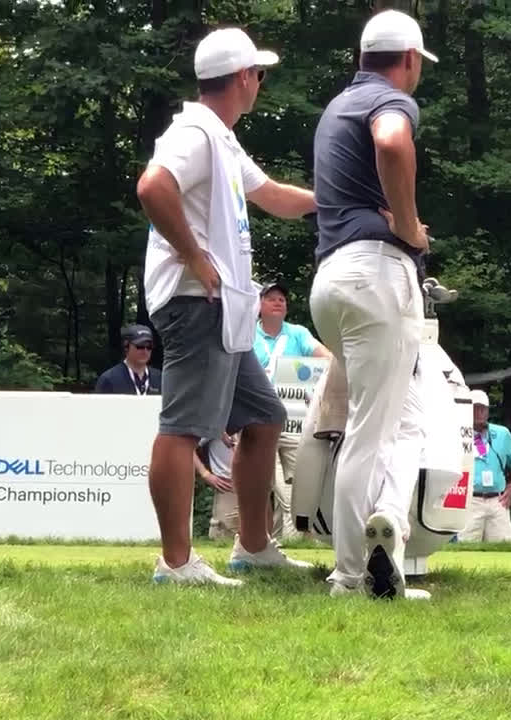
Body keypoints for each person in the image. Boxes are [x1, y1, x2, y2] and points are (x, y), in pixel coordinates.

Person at [135, 26, 316, 585]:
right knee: (183, 428)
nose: (260, 82)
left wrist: (341, 203)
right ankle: (176, 563)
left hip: (223, 309)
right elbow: (152, 186)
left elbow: (273, 196)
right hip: (196, 303)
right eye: (258, 73)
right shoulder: (195, 132)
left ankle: (253, 547)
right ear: (243, 77)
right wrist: (193, 256)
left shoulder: (221, 138)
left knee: (264, 418)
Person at [308, 9, 437, 599]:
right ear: (408, 59)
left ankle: (387, 522)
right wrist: (409, 226)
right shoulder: (391, 101)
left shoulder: (337, 106)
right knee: (369, 429)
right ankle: (349, 575)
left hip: (332, 281)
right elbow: (390, 141)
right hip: (377, 277)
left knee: (406, 420)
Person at [253, 280, 329, 539]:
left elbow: (326, 358)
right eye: (271, 298)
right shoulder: (248, 335)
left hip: (295, 420)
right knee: (265, 484)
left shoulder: (297, 334)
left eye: (282, 299)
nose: (278, 302)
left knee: (303, 480)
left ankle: (295, 539)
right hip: (257, 420)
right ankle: (274, 540)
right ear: (258, 305)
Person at [458, 390, 511, 543]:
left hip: (498, 500)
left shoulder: (502, 433)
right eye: (475, 408)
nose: (479, 412)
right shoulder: (458, 434)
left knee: (506, 548)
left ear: (488, 410)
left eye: (483, 408)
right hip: (469, 500)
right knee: (465, 548)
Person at [93, 325, 162, 395]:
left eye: (149, 347)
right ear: (126, 346)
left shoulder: (159, 378)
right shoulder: (109, 379)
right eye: (140, 346)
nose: (145, 351)